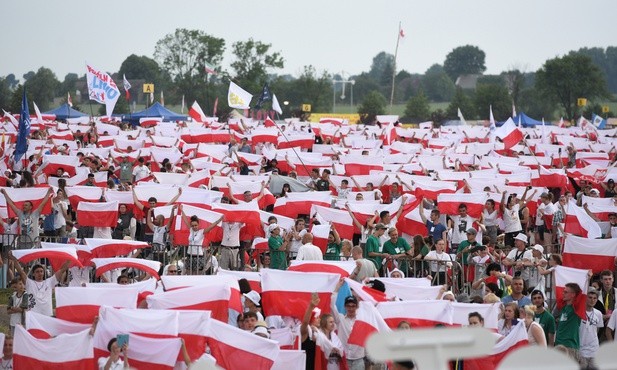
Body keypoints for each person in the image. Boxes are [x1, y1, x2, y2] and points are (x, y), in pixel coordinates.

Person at [331, 283, 366, 370]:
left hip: (358, 359)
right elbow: (331, 305)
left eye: (353, 306)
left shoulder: (362, 320)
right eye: (348, 306)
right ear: (345, 307)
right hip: (343, 358)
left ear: (357, 307)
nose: (351, 309)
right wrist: (337, 288)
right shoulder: (340, 319)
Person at [554, 282, 583, 361]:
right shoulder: (563, 307)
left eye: (566, 292)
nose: (563, 293)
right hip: (558, 345)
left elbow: (583, 296)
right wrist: (554, 273)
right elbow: (555, 290)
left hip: (569, 346)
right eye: (563, 291)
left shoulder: (576, 309)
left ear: (573, 294)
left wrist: (589, 278)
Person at [579, 287, 603, 369]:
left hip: (594, 351)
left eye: (594, 298)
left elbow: (597, 330)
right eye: (590, 297)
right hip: (581, 351)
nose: (592, 300)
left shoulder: (598, 313)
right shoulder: (578, 312)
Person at [301, 293, 320, 370]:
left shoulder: (319, 334)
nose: (319, 319)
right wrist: (311, 306)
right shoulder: (305, 332)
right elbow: (305, 322)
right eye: (317, 317)